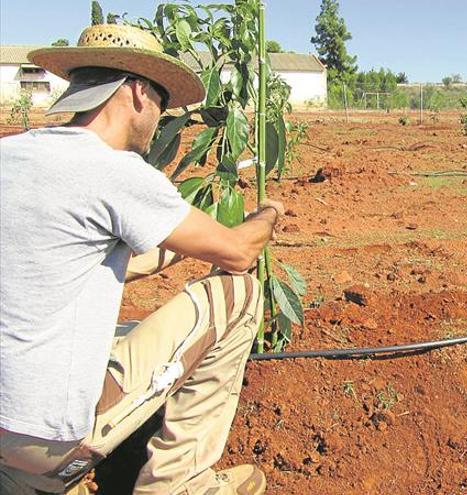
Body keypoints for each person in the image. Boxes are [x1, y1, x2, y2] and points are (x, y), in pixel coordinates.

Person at [0, 23, 279, 495]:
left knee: (120, 332)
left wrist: (187, 237)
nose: (161, 119)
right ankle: (179, 482)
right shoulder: (116, 170)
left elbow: (97, 261)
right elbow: (239, 251)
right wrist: (267, 216)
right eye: (162, 103)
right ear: (135, 92)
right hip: (45, 434)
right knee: (241, 295)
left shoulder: (12, 155)